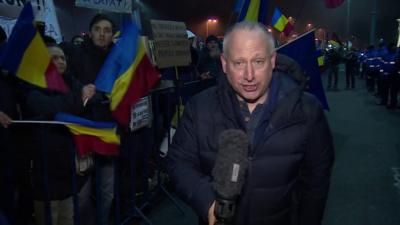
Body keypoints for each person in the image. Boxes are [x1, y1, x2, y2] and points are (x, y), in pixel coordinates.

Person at [167, 21, 334, 225]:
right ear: (224, 64)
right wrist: (208, 201)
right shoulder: (199, 107)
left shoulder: (307, 110)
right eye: (239, 63)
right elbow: (179, 163)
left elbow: (316, 182)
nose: (249, 76)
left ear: (272, 60)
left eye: (258, 61)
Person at [23, 43, 95, 225]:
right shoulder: (32, 86)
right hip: (44, 169)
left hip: (68, 166)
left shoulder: (71, 82)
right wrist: (79, 98)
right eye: (54, 57)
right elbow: (49, 107)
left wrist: (87, 95)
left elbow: (93, 99)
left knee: (67, 218)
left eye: (62, 57)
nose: (60, 61)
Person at [65, 13, 116, 225]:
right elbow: (67, 80)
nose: (102, 34)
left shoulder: (117, 58)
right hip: (83, 131)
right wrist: (88, 94)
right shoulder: (76, 55)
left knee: (107, 190)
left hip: (108, 131)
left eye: (107, 30)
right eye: (98, 29)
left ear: (112, 35)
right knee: (83, 194)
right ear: (90, 31)